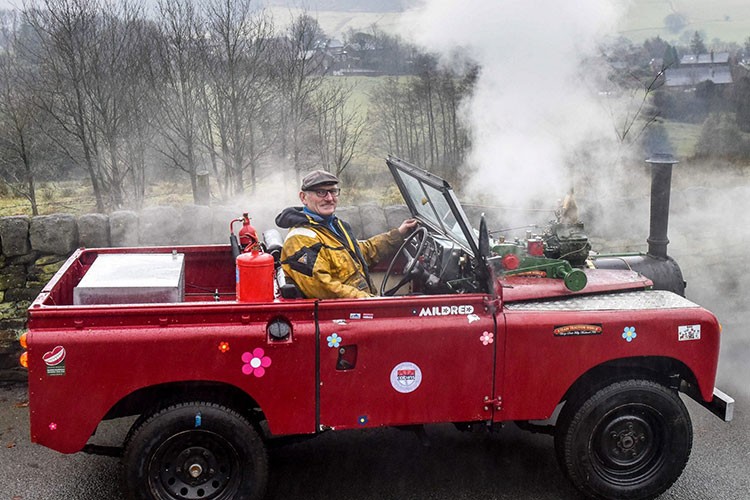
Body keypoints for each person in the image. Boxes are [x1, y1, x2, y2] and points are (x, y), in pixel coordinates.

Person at [275, 169, 417, 299]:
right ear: (303, 197)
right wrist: (368, 300)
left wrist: (398, 234)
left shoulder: (332, 225)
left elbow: (359, 253)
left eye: (333, 191)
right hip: (339, 316)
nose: (330, 198)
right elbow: (324, 288)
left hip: (359, 306)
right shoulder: (300, 239)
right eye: (321, 193)